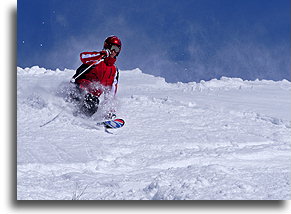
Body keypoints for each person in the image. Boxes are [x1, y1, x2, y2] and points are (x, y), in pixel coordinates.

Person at [68, 35, 122, 118]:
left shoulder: (114, 71)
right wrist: (100, 55)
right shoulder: (98, 59)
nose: (114, 51)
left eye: (117, 49)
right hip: (78, 89)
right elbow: (83, 57)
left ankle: (81, 119)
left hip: (91, 98)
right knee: (87, 99)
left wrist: (109, 111)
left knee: (93, 102)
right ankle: (69, 112)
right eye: (113, 48)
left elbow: (111, 93)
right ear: (107, 47)